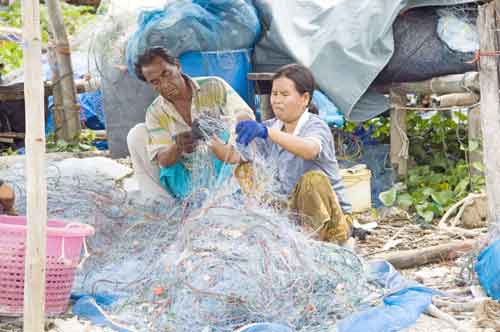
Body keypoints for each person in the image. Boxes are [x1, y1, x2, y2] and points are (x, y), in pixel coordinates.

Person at [210, 64, 354, 245]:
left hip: (333, 221)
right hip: (294, 218)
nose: (277, 100)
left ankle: (318, 243)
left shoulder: (316, 126)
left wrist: (266, 132)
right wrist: (210, 138)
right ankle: (273, 234)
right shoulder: (271, 126)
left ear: (305, 98)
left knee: (312, 181)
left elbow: (309, 150)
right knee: (246, 170)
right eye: (274, 94)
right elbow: (232, 157)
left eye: (284, 95)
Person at [127, 47, 254, 201]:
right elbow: (163, 160)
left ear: (178, 66)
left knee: (225, 127)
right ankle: (160, 202)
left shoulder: (214, 86)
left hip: (224, 166)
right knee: (136, 134)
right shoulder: (155, 112)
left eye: (166, 74)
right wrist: (177, 146)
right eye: (155, 82)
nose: (165, 84)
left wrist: (222, 129)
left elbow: (244, 114)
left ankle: (226, 195)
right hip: (187, 178)